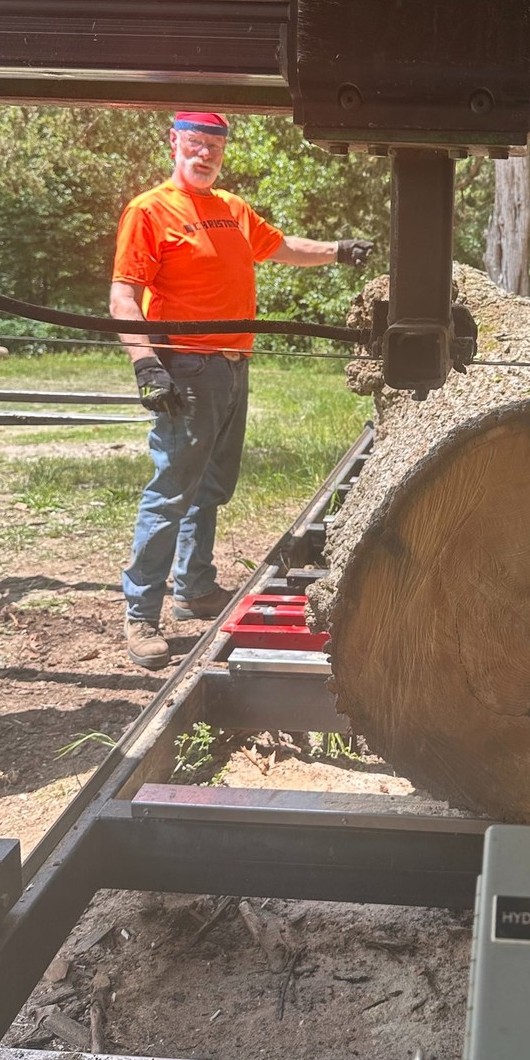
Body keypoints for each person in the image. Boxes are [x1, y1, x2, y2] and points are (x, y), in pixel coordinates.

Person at [110, 112, 374, 669]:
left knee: (211, 485)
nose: (204, 155)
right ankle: (141, 614)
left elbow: (280, 247)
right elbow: (124, 297)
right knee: (172, 489)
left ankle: (195, 589)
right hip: (186, 367)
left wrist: (338, 250)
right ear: (175, 142)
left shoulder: (231, 209)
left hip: (234, 364)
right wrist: (146, 365)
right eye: (195, 143)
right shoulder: (150, 209)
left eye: (214, 146)